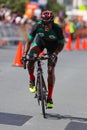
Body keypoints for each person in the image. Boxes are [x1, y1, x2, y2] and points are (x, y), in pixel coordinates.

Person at [22, 10, 65, 109]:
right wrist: (24, 54)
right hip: (39, 44)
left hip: (53, 48)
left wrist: (55, 53)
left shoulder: (57, 29)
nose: (46, 25)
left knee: (50, 70)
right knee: (31, 59)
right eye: (44, 23)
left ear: (52, 22)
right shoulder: (37, 26)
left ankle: (49, 98)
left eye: (48, 23)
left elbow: (61, 44)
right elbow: (28, 41)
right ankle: (32, 79)